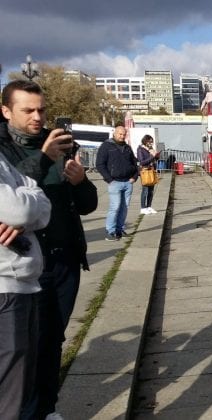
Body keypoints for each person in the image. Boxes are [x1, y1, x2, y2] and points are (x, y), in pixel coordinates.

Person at [1, 80, 98, 420]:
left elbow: (86, 205)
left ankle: (47, 408)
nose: (37, 117)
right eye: (28, 110)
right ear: (6, 111)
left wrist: (80, 182)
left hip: (65, 259)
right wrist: (43, 159)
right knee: (26, 347)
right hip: (25, 263)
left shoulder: (60, 144)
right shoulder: (5, 149)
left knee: (53, 338)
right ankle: (26, 411)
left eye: (41, 109)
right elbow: (15, 199)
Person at [0, 151, 51, 420]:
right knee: (9, 390)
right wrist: (26, 206)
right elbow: (20, 210)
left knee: (21, 383)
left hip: (22, 283)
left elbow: (42, 201)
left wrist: (25, 208)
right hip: (5, 284)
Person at [96, 125, 139, 241]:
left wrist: (134, 177)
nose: (122, 136)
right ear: (114, 133)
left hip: (128, 182)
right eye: (120, 134)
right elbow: (100, 164)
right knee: (115, 207)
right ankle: (110, 231)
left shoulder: (127, 147)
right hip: (115, 182)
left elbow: (135, 164)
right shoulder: (106, 146)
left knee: (124, 208)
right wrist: (109, 179)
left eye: (124, 134)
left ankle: (120, 230)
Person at [137, 134, 160, 215]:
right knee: (145, 190)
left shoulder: (151, 149)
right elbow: (142, 162)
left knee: (151, 190)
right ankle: (143, 208)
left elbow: (154, 158)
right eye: (149, 142)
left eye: (152, 142)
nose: (151, 143)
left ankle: (149, 206)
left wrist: (156, 156)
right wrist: (152, 156)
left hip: (152, 170)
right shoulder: (140, 149)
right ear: (145, 141)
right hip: (145, 171)